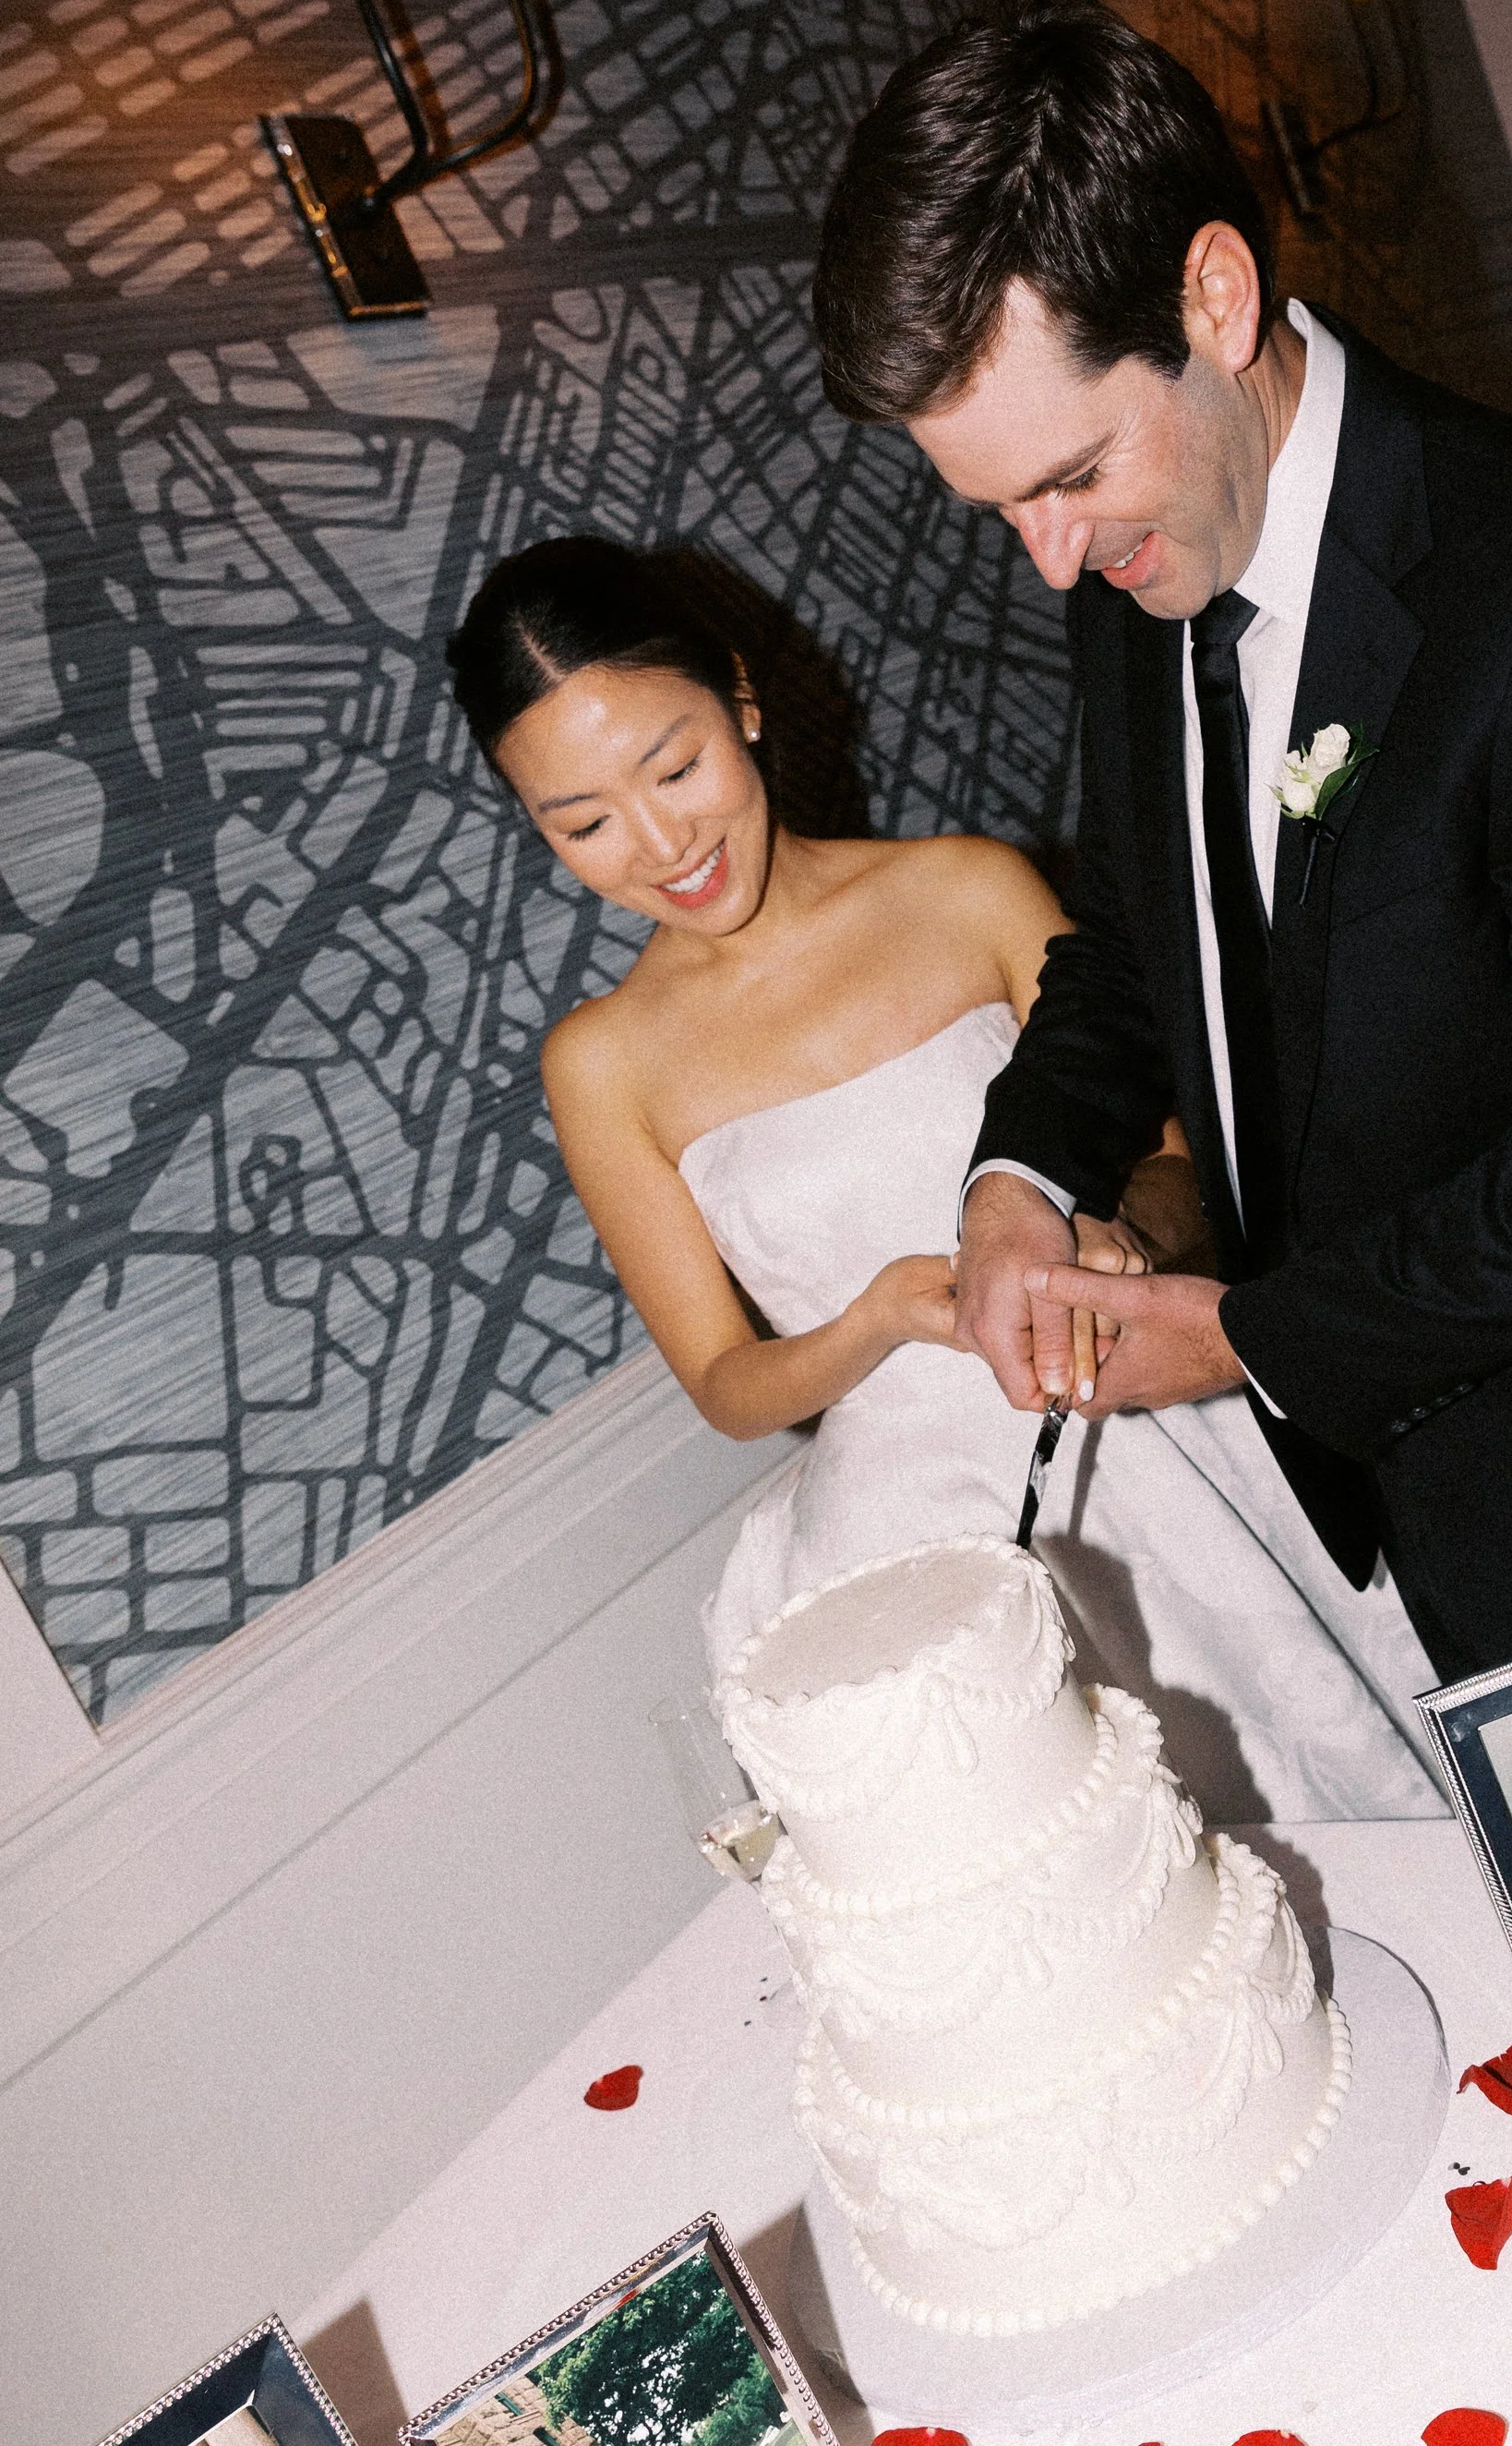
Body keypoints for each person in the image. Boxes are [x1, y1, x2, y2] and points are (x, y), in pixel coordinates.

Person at [813, 0, 1512, 1810]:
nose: (1050, 561)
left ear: (1214, 301)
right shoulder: (1130, 580)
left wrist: (1245, 1334)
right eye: (993, 507)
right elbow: (1138, 948)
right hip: (1442, 1547)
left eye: (1072, 474)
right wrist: (1021, 1180)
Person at [446, 537, 1440, 1822]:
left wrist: (1123, 1224)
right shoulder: (600, 1062)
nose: (657, 843)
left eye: (676, 765)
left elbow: (1182, 1164)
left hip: (1154, 1435)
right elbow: (728, 1387)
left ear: (742, 701)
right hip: (916, 1526)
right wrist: (876, 1317)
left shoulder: (967, 887)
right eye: (580, 822)